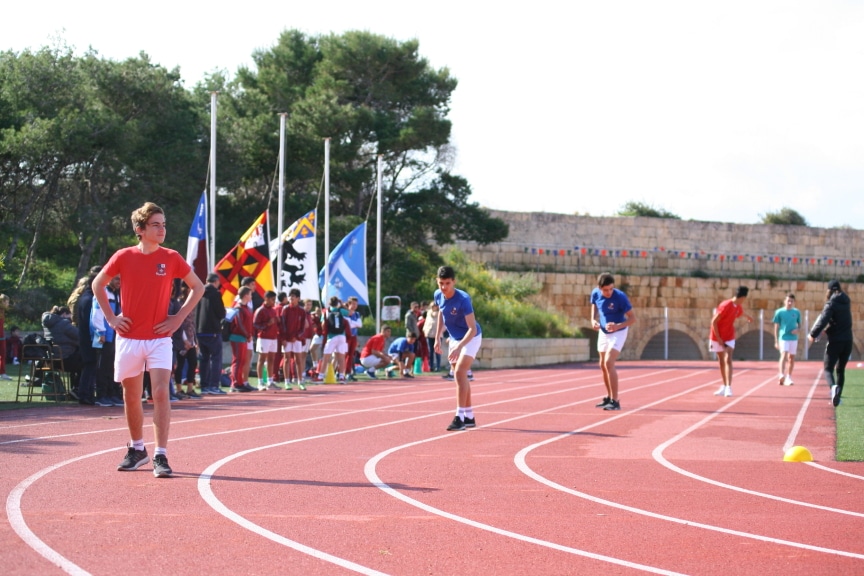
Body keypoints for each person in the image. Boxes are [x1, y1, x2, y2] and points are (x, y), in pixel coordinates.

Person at [91, 202, 204, 478]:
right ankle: (137, 449)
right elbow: (98, 284)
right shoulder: (123, 256)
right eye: (156, 224)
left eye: (163, 224)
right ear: (140, 230)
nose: (162, 229)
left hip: (159, 338)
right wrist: (112, 318)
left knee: (161, 392)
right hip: (128, 337)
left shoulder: (172, 257)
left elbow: (198, 287)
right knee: (131, 396)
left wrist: (177, 320)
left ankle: (161, 454)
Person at [434, 266, 482, 431]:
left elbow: (472, 329)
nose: (444, 287)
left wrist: (459, 347)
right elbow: (441, 313)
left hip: (471, 338)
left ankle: (459, 417)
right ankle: (469, 416)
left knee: (461, 373)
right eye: (441, 283)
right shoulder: (438, 295)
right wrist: (438, 336)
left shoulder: (463, 299)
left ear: (454, 281)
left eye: (447, 283)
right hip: (454, 338)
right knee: (460, 378)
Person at [590, 273, 636, 411]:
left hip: (619, 331)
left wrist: (617, 326)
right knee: (602, 365)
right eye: (605, 290)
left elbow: (633, 318)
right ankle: (609, 397)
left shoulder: (620, 297)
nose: (608, 292)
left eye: (611, 289)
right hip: (604, 332)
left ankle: (615, 401)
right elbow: (594, 305)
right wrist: (593, 320)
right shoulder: (595, 293)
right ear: (599, 288)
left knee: (609, 362)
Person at [808, 280, 854, 407]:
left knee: (828, 369)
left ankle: (833, 389)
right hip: (848, 341)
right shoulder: (847, 301)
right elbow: (840, 323)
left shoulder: (831, 304)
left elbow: (823, 320)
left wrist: (812, 334)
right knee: (841, 370)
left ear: (829, 291)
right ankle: (837, 397)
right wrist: (827, 330)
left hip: (835, 342)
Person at [709, 286, 752, 398]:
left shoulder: (738, 306)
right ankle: (724, 385)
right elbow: (714, 322)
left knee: (728, 358)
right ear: (742, 297)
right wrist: (718, 338)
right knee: (721, 361)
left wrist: (748, 317)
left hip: (729, 336)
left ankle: (728, 387)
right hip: (717, 336)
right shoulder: (725, 305)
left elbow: (740, 313)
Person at [91, 275, 124, 406]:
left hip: (116, 334)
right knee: (103, 367)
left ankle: (112, 393)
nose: (119, 282)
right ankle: (101, 395)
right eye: (116, 279)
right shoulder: (103, 292)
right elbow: (97, 313)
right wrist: (100, 331)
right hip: (105, 334)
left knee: (113, 366)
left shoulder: (118, 294)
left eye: (121, 280)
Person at [41, 306, 85, 401]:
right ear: (64, 314)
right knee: (88, 362)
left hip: (51, 360)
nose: (71, 318)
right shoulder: (64, 323)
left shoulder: (47, 324)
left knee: (79, 358)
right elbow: (80, 336)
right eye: (70, 315)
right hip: (65, 359)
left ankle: (75, 389)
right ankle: (77, 389)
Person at [195, 274, 227, 396]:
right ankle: (213, 385)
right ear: (216, 281)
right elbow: (220, 312)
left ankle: (204, 385)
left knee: (203, 359)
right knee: (216, 358)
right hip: (212, 330)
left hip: (199, 330)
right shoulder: (215, 293)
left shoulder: (199, 292)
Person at [171, 282, 199, 398]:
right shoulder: (180, 304)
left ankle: (190, 388)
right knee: (180, 364)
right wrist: (184, 340)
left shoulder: (191, 304)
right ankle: (178, 389)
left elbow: (192, 323)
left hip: (191, 337)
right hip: (181, 338)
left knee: (193, 362)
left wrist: (195, 341)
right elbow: (180, 323)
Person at [228, 287, 256, 392]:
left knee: (242, 361)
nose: (251, 296)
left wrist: (249, 334)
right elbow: (239, 324)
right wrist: (247, 334)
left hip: (244, 338)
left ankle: (240, 382)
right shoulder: (238, 308)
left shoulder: (245, 308)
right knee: (238, 360)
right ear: (245, 296)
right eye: (250, 294)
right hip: (238, 337)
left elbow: (248, 324)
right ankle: (235, 383)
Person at [281, 288, 307, 389]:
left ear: (298, 298)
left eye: (293, 296)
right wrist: (284, 338)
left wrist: (296, 337)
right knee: (286, 359)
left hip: (297, 339)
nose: (291, 298)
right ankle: (287, 381)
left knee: (298, 360)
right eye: (290, 296)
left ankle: (300, 381)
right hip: (287, 338)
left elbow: (302, 327)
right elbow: (283, 324)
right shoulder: (285, 309)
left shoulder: (302, 311)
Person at [253, 290, 280, 391]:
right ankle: (260, 382)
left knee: (271, 359)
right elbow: (255, 324)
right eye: (272, 299)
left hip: (273, 337)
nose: (274, 301)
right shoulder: (260, 310)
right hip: (263, 338)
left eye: (274, 299)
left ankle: (270, 381)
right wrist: (266, 325)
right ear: (266, 299)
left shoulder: (273, 310)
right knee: (262, 359)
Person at [319, 297, 350, 382]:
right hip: (341, 335)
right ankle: (341, 376)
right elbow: (349, 313)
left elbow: (323, 324)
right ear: (337, 303)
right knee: (341, 357)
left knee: (326, 357)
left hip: (331, 336)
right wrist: (343, 304)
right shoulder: (341, 311)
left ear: (329, 303)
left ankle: (321, 376)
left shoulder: (326, 311)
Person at [772, 294, 801, 386]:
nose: (789, 303)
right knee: (783, 354)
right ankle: (781, 375)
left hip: (793, 338)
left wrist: (797, 330)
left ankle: (788, 377)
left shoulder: (796, 312)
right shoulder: (779, 312)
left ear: (794, 302)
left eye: (791, 301)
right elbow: (776, 327)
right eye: (788, 301)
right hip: (783, 337)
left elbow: (800, 325)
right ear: (784, 301)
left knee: (791, 358)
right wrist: (776, 341)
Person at [423, 302, 441, 372]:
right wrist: (424, 330)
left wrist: (440, 331)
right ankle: (431, 366)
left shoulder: (440, 312)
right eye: (433, 306)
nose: (434, 307)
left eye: (435, 306)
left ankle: (438, 366)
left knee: (437, 351)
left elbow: (443, 324)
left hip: (438, 335)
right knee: (430, 351)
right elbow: (427, 322)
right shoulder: (428, 313)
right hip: (429, 334)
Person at [0, 294, 10, 380]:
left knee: (3, 355)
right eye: (7, 302)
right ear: (2, 301)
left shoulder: (2, 311)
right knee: (2, 355)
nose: (8, 304)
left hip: (2, 336)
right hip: (0, 337)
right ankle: (2, 373)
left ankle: (2, 373)